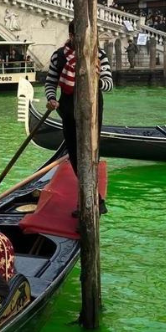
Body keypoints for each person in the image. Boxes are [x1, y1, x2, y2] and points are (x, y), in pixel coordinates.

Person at [43, 21, 113, 213]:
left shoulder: (98, 54)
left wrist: (92, 80)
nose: (82, 40)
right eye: (78, 36)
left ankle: (93, 200)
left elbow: (108, 84)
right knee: (75, 155)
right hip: (67, 108)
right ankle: (91, 199)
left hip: (93, 109)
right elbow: (50, 82)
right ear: (71, 35)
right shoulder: (59, 56)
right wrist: (51, 98)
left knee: (91, 153)